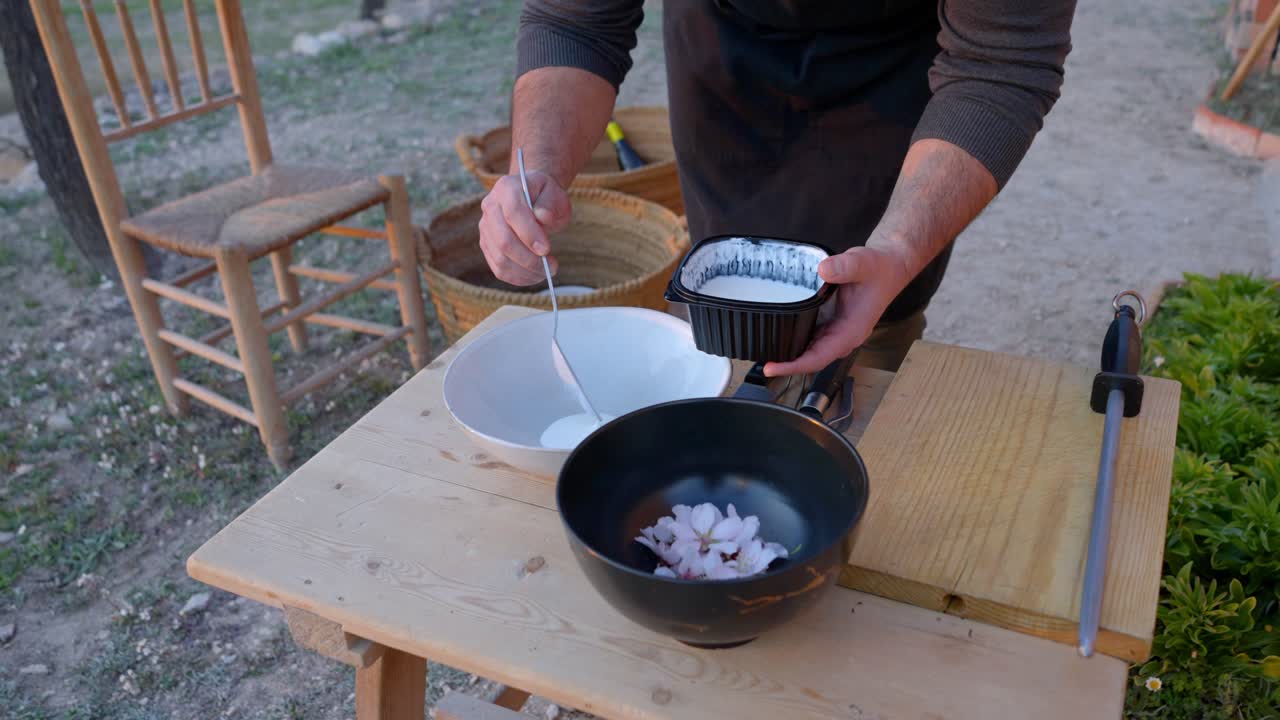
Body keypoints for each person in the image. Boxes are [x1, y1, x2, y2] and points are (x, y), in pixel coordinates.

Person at [477, 1, 1077, 376]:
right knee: (711, 372)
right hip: (725, 63)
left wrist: (897, 249)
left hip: (897, 95)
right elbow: (575, 22)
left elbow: (1000, 63)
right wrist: (539, 171)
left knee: (862, 408)